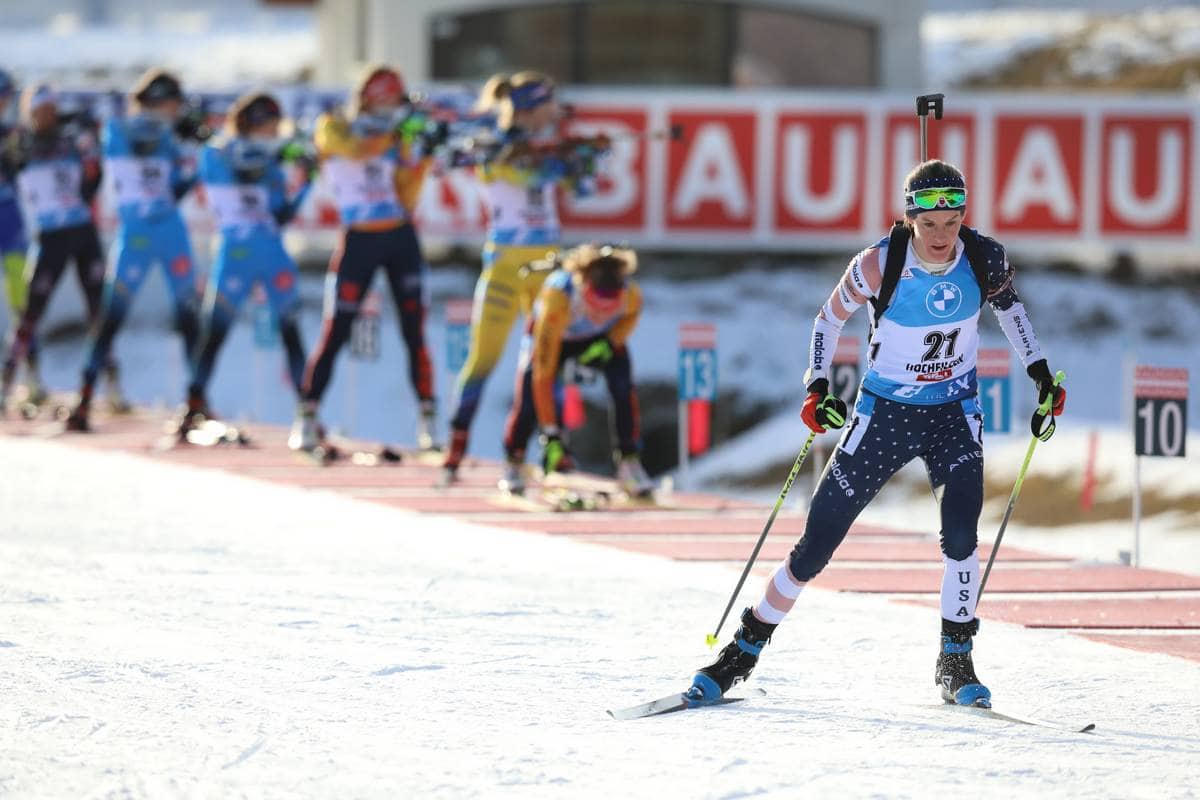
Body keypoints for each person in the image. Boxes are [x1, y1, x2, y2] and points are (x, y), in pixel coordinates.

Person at [692, 159, 1066, 708]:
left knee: (962, 537)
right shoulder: (878, 263)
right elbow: (828, 320)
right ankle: (741, 652)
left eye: (952, 222)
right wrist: (817, 386)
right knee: (815, 547)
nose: (941, 236)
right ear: (910, 218)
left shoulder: (984, 257)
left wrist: (1040, 373)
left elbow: (1012, 312)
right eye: (929, 224)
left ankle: (955, 660)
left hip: (953, 415)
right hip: (884, 417)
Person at [441, 70, 598, 483]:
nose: (554, 112)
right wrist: (561, 163)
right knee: (484, 357)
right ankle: (455, 446)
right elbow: (526, 174)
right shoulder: (493, 144)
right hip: (506, 266)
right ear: (531, 107)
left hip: (547, 264)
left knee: (545, 361)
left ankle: (547, 450)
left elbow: (584, 191)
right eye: (547, 105)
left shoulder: (547, 145)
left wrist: (582, 165)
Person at [288, 65, 435, 453]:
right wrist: (394, 134)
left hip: (399, 237)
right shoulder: (334, 126)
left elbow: (407, 194)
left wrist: (419, 156)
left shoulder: (396, 135)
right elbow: (354, 148)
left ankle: (428, 420)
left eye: (395, 100)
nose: (390, 107)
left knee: (414, 331)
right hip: (358, 240)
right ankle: (307, 416)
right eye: (385, 99)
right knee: (336, 329)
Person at [65, 68, 202, 431]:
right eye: (173, 103)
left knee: (189, 316)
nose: (177, 110)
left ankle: (196, 402)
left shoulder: (168, 137)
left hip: (170, 232)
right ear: (159, 101)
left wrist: (196, 153)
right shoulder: (122, 128)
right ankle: (84, 398)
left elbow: (174, 189)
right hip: (137, 235)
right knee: (110, 318)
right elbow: (133, 141)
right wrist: (171, 130)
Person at [184, 91, 312, 432]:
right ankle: (193, 404)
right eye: (271, 125)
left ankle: (308, 415)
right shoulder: (219, 152)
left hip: (271, 253)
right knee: (214, 333)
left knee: (291, 333)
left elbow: (281, 215)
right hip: (235, 254)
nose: (275, 132)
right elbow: (222, 165)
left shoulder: (271, 161)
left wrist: (306, 182)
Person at [498, 244, 654, 496]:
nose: (600, 314)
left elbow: (630, 317)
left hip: (597, 340)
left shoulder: (631, 296)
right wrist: (551, 433)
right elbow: (543, 377)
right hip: (555, 337)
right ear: (584, 289)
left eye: (609, 309)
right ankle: (514, 461)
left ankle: (629, 462)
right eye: (595, 306)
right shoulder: (558, 298)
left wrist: (611, 341)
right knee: (527, 396)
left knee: (623, 386)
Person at [0, 84, 105, 412]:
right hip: (50, 237)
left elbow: (93, 178)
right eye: (38, 111)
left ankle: (104, 387)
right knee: (30, 311)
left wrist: (90, 147)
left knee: (98, 310)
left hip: (83, 232)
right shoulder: (20, 144)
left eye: (50, 110)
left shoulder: (72, 140)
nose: (45, 116)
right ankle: (8, 384)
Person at [0, 69, 42, 406]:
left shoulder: (15, 133)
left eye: (6, 98)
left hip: (11, 225)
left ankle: (32, 379)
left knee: (22, 303)